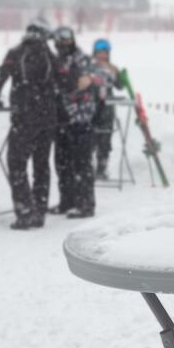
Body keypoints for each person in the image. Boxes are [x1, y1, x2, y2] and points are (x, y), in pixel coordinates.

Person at [0, 19, 57, 229]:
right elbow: (64, 80)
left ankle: (24, 211)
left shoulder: (16, 53)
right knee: (41, 166)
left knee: (17, 165)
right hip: (47, 119)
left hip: (24, 119)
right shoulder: (49, 55)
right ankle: (39, 211)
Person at [49, 26, 97, 218]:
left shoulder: (81, 59)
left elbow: (82, 83)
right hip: (61, 119)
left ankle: (85, 205)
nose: (64, 44)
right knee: (62, 163)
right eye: (61, 41)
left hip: (80, 118)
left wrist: (66, 84)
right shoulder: (55, 60)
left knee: (81, 163)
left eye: (68, 40)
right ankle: (67, 201)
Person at [89, 38, 121, 181]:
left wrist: (118, 74)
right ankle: (87, 167)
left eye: (104, 53)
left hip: (107, 108)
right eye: (99, 53)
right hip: (91, 107)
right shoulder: (89, 67)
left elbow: (120, 85)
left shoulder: (111, 69)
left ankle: (102, 167)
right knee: (90, 138)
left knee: (105, 138)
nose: (102, 56)